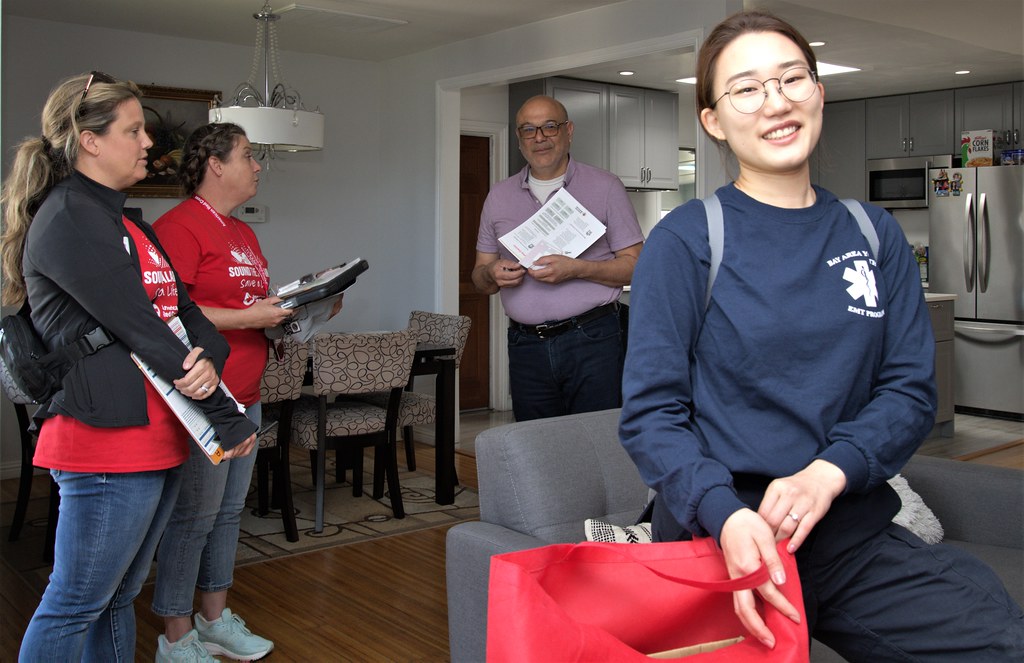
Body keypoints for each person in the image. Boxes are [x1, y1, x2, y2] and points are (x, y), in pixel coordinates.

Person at [619, 10, 1023, 662]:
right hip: (720, 537)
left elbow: (909, 391)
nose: (776, 102)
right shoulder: (688, 239)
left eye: (792, 78)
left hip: (849, 536)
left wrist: (829, 473)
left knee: (1000, 637)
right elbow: (651, 414)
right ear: (713, 120)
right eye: (747, 88)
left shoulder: (873, 234)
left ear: (819, 92)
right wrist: (723, 513)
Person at [1, 72, 257, 662]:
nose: (148, 142)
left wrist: (208, 362)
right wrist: (224, 412)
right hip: (105, 439)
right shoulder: (69, 215)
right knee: (75, 602)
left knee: (118, 597)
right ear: (90, 141)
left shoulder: (129, 224)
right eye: (134, 130)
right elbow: (137, 323)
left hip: (156, 431)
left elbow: (188, 315)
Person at [150, 123, 294, 662]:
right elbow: (169, 315)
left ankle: (214, 620)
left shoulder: (242, 233)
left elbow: (250, 307)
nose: (257, 166)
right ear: (215, 164)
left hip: (247, 394)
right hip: (205, 398)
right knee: (195, 516)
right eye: (248, 156)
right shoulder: (178, 227)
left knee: (229, 512)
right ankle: (175, 636)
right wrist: (251, 317)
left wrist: (293, 311)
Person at [472, 95, 644, 421]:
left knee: (595, 439)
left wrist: (577, 269)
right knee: (536, 442)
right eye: (528, 129)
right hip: (525, 344)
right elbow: (480, 277)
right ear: (519, 139)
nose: (539, 137)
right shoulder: (499, 195)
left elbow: (637, 266)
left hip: (593, 339)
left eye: (549, 127)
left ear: (569, 131)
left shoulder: (605, 187)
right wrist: (492, 273)